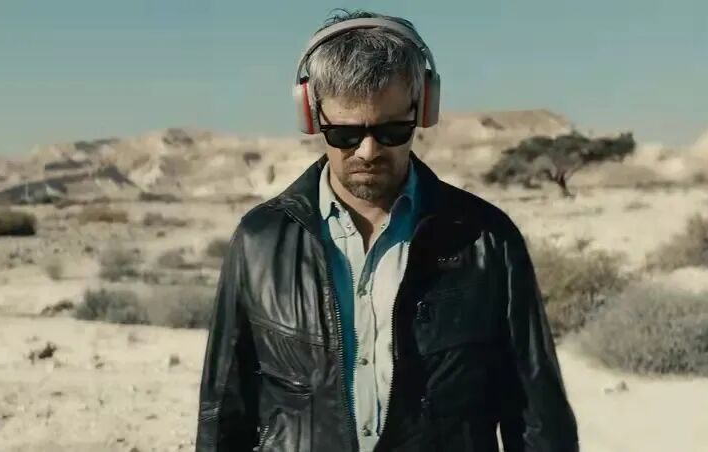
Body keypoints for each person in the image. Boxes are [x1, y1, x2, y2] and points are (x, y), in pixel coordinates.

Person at [195, 9, 579, 452]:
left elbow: (538, 420)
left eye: (392, 130)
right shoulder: (258, 241)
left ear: (423, 110)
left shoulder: (488, 240)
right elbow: (223, 413)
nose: (368, 151)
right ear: (312, 116)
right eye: (345, 134)